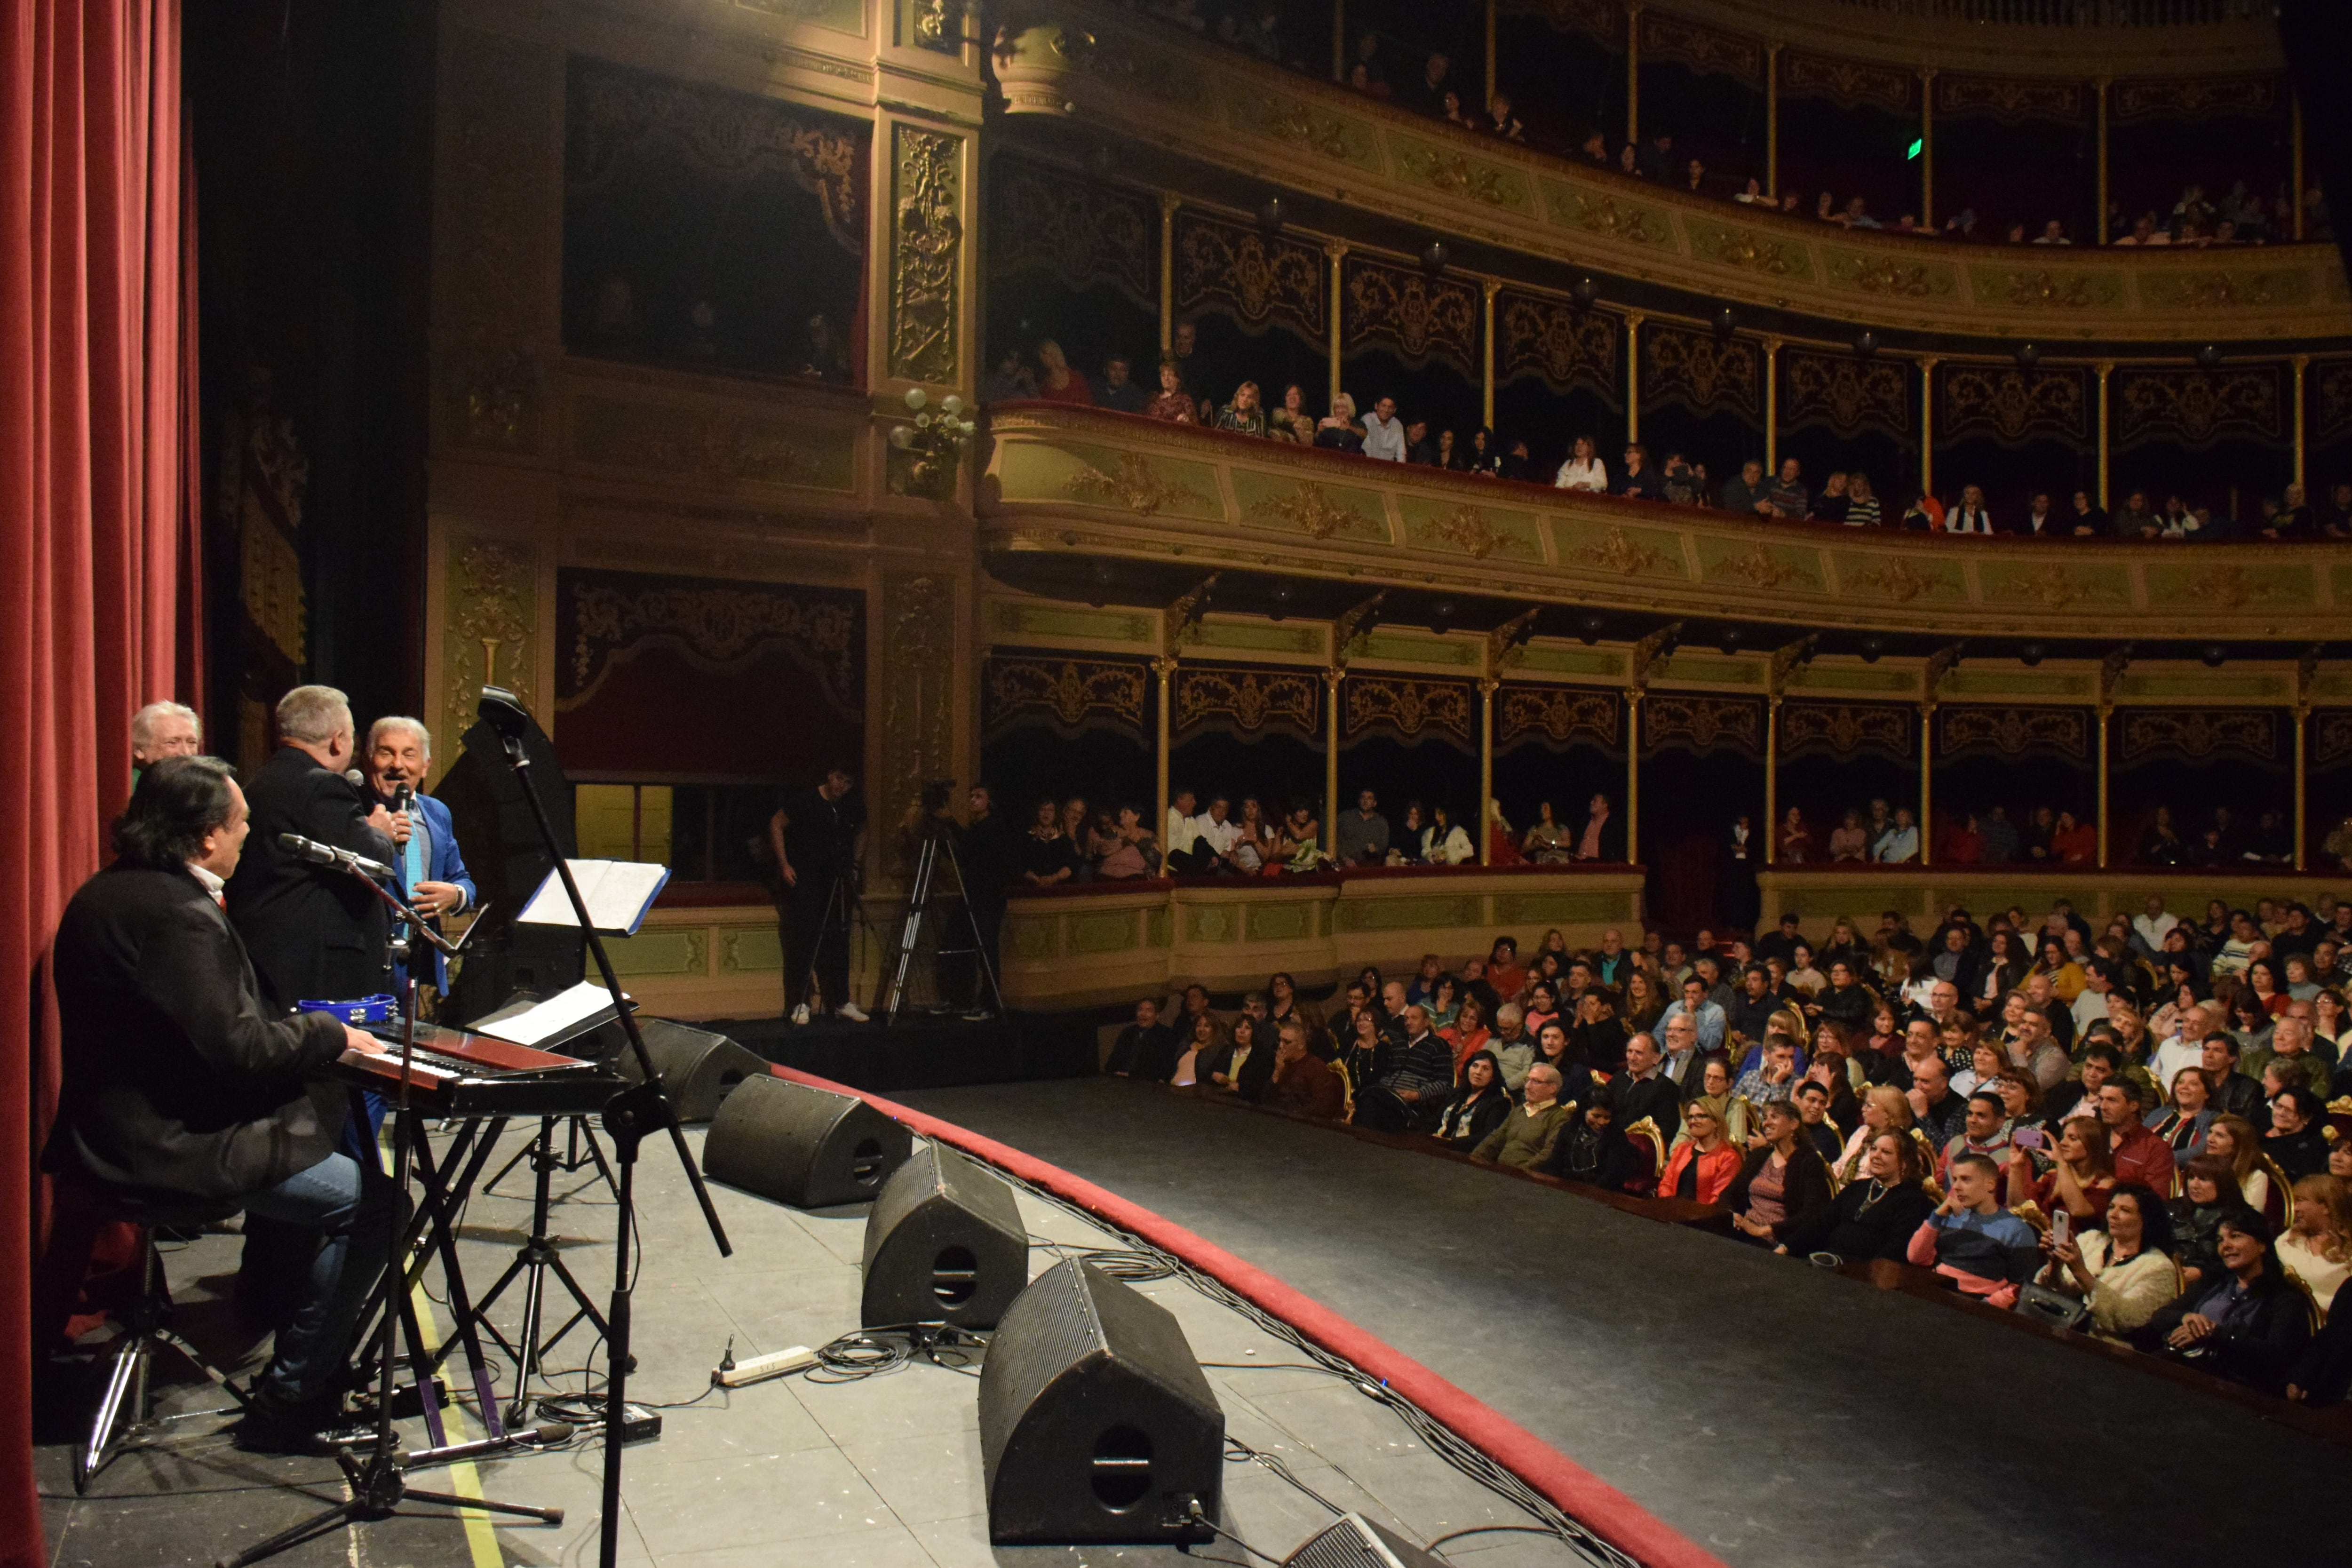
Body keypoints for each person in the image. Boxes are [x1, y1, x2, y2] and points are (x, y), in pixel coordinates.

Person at [48, 756, 397, 1450]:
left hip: (105, 1134)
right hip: (162, 1148)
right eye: (242, 824)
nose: (248, 836)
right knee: (378, 1206)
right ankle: (293, 1398)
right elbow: (238, 1049)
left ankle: (295, 1343)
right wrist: (328, 1032)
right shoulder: (178, 913)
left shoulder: (110, 890)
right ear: (208, 836)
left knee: (317, 1140)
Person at [226, 686, 397, 1013]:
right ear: (338, 740)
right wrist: (381, 834)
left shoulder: (260, 782)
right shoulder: (323, 786)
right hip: (318, 974)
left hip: (266, 959)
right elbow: (373, 863)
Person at [2140, 1209, 2313, 1395]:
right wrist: (2188, 1318)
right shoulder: (2215, 1281)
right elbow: (2160, 1317)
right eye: (2220, 1240)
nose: (2225, 1246)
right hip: (2190, 1367)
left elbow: (2275, 1355)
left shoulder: (2286, 1298)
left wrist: (2215, 1334)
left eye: (2235, 1236)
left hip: (2238, 1385)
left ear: (2262, 1245)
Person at [361, 717, 474, 997]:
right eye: (386, 752)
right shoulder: (353, 809)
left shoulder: (437, 813)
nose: (397, 764)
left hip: (418, 962)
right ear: (368, 759)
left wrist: (456, 895)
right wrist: (370, 836)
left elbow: (462, 879)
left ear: (425, 766)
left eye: (409, 755)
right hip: (367, 962)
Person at [771, 764, 867, 1024]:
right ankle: (800, 1002)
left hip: (837, 880)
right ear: (829, 775)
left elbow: (863, 830)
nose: (841, 786)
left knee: (839, 941)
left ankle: (841, 1000)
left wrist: (856, 864)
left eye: (847, 782)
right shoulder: (807, 800)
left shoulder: (850, 806)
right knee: (802, 941)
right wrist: (785, 865)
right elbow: (777, 823)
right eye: (838, 779)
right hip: (806, 879)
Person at [2034, 1183, 2179, 1342]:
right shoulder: (2091, 1240)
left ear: (2146, 1220)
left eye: (2125, 1210)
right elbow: (2051, 1293)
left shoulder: (2159, 1267)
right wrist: (2055, 1264)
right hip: (2057, 1330)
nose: (2113, 1215)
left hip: (2105, 1348)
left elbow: (2128, 1319)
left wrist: (2080, 1271)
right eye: (2111, 1207)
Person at [1908, 1152, 2041, 1305]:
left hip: (1977, 1307)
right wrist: (1936, 1218)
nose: (1956, 1187)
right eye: (1956, 1179)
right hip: (1935, 1294)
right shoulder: (1950, 1217)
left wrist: (1984, 1307)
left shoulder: (2017, 1230)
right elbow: (1916, 1258)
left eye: (1966, 1180)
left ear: (1990, 1184)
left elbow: (2021, 1287)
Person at [1783, 1130, 1936, 1264]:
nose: (1876, 1156)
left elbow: (1896, 1250)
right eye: (1874, 1149)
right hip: (1827, 1259)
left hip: (1863, 1275)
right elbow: (1821, 1222)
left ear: (1904, 1163)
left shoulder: (1914, 1200)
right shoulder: (1858, 1187)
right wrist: (1786, 1247)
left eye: (1886, 1152)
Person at [1724, 1101, 1833, 1247]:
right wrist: (1734, 1215)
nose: (1766, 1123)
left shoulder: (1809, 1161)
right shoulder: (1760, 1155)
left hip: (1777, 1239)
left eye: (1774, 1117)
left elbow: (1812, 1214)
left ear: (1794, 1124)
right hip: (1743, 1230)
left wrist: (1762, 1231)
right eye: (1765, 1118)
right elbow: (1730, 1193)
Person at [1470, 1061, 1573, 1169]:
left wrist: (1520, 1173)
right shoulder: (1519, 1111)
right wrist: (1473, 1160)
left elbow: (1548, 1154)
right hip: (1500, 1172)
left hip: (1526, 1179)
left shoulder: (1559, 1117)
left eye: (1536, 1082)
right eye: (1527, 1080)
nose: (1527, 1087)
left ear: (1553, 1088)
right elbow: (1495, 1140)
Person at [2276, 1174, 2351, 1313]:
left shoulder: (2348, 1249)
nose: (2295, 1208)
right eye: (2294, 1202)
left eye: (2301, 1201)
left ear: (2326, 1207)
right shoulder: (2286, 1241)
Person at [1659, 1098, 1740, 1203]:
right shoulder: (1682, 1149)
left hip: (1705, 1216)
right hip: (1671, 1211)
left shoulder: (1729, 1157)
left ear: (1716, 1122)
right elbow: (1666, 1184)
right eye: (1691, 1117)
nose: (1693, 1121)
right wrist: (1671, 1206)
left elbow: (1718, 1198)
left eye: (1701, 1116)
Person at [1264, 1020, 1345, 1119]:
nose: (1281, 1046)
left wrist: (1293, 1116)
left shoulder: (1316, 1067)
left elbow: (1323, 1105)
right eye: (1280, 1041)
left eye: (1287, 1042)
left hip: (1303, 1124)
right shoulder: (1282, 1064)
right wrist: (1277, 1072)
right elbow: (1266, 1100)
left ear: (1301, 1045)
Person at [129, 698, 201, 786]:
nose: (186, 752)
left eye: (192, 743)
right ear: (139, 749)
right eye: (172, 742)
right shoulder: (129, 787)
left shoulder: (201, 785)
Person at [1105, 997, 1180, 1080]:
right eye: (1140, 1010)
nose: (1143, 1014)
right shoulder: (1128, 1033)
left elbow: (1163, 1068)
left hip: (1148, 1084)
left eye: (1149, 1011)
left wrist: (1132, 1075)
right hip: (1120, 1082)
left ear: (1157, 1016)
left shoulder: (1166, 1035)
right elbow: (1114, 1060)